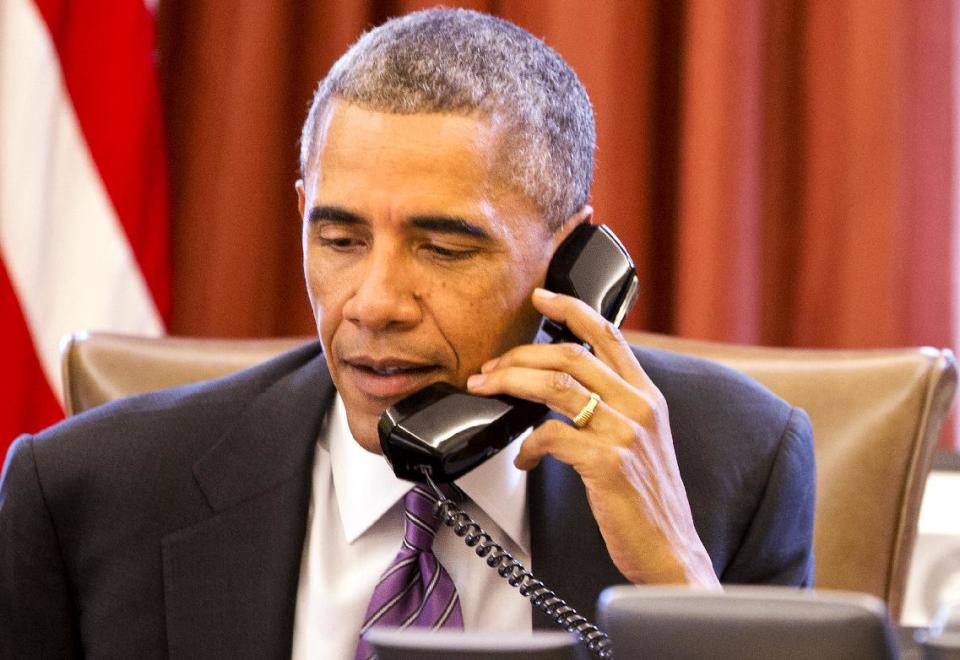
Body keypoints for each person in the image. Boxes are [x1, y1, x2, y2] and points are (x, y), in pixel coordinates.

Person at [0, 8, 814, 659]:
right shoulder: (90, 493)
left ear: (570, 265)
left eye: (444, 247)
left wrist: (678, 591)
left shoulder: (733, 466)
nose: (375, 302)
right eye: (341, 240)